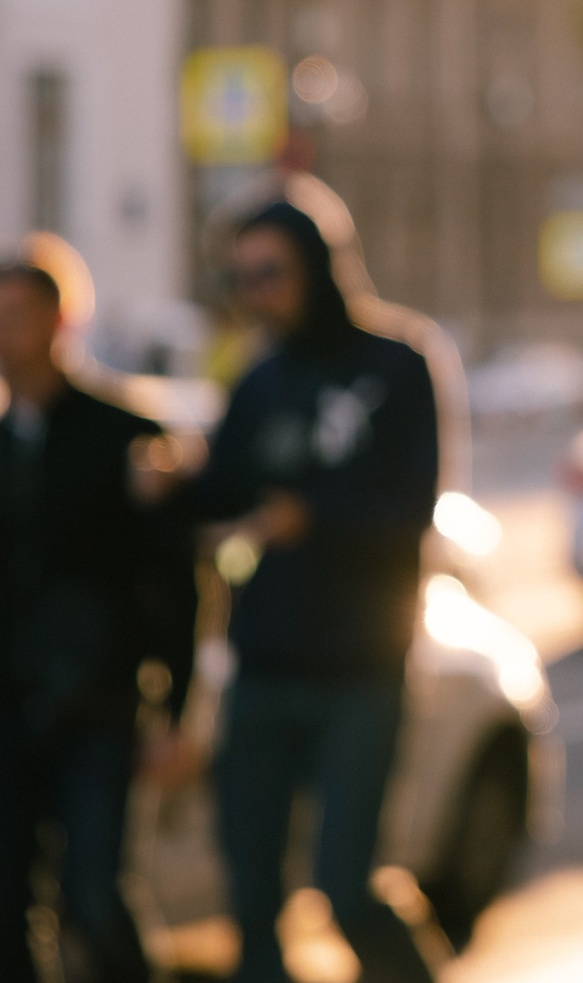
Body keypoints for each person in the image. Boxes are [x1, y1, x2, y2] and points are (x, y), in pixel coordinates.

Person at [0, 240, 199, 983]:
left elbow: (176, 582)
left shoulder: (125, 435)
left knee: (93, 900)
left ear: (61, 319)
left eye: (17, 315)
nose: (1, 333)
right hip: (0, 705)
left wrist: (176, 710)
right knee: (2, 910)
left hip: (97, 705)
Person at [174, 200, 440, 983]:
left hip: (361, 665)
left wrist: (312, 517)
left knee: (344, 891)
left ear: (319, 269)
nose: (258, 291)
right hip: (263, 661)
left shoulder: (397, 364)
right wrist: (170, 478)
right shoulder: (259, 378)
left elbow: (412, 507)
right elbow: (221, 491)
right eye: (243, 275)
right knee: (252, 901)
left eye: (272, 272)